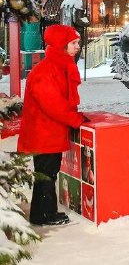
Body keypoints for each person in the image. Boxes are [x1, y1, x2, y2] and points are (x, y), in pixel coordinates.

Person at [18, 25, 87, 226]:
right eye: (73, 43)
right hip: (44, 133)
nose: (77, 47)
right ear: (61, 45)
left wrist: (75, 116)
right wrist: (74, 119)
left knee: (48, 174)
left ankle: (44, 213)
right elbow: (53, 104)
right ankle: (44, 214)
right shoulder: (47, 70)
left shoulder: (58, 66)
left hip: (49, 132)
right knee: (46, 175)